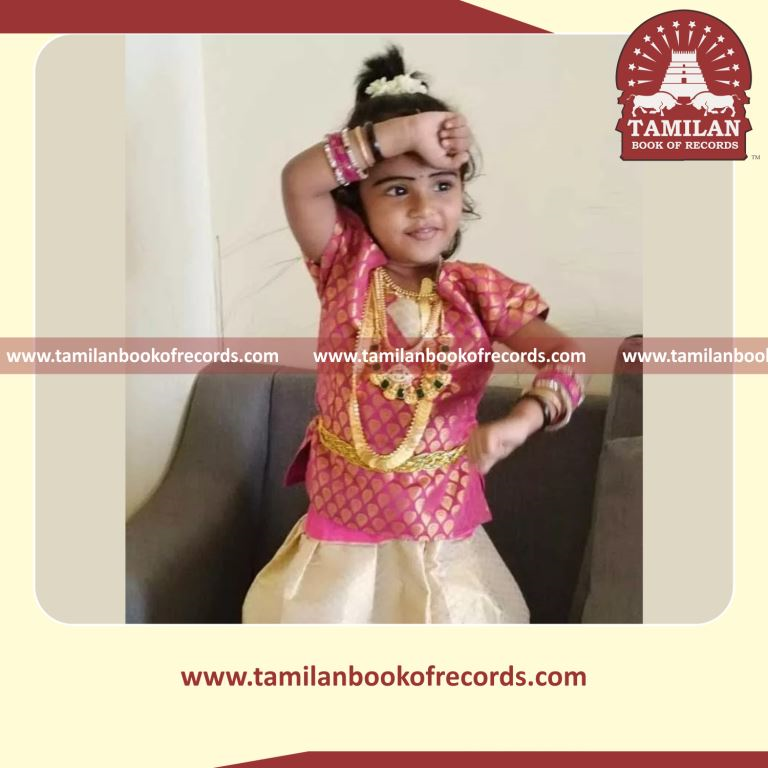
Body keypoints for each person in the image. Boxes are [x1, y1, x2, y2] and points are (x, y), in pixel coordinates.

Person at [242, 46, 586, 624]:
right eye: (398, 189)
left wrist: (520, 423)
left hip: (441, 540)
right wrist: (407, 132)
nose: (425, 207)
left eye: (442, 185)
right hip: (340, 536)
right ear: (358, 200)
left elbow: (567, 357)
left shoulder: (480, 292)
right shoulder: (345, 266)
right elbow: (299, 182)